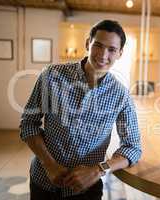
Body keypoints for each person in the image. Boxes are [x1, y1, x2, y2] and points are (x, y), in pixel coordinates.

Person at [19, 20, 142, 200]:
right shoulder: (51, 75)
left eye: (112, 49)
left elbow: (133, 147)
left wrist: (99, 170)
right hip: (43, 181)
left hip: (86, 190)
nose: (103, 55)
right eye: (98, 45)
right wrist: (49, 165)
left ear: (120, 54)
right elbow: (28, 124)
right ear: (87, 44)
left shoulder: (121, 95)